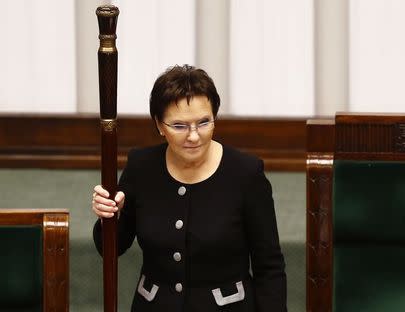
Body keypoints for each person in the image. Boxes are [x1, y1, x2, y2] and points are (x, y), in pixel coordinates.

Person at [91, 64, 287, 311]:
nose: (194, 136)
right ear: (160, 125)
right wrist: (109, 216)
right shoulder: (141, 167)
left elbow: (269, 266)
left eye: (204, 122)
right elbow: (112, 246)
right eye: (180, 126)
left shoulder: (246, 173)